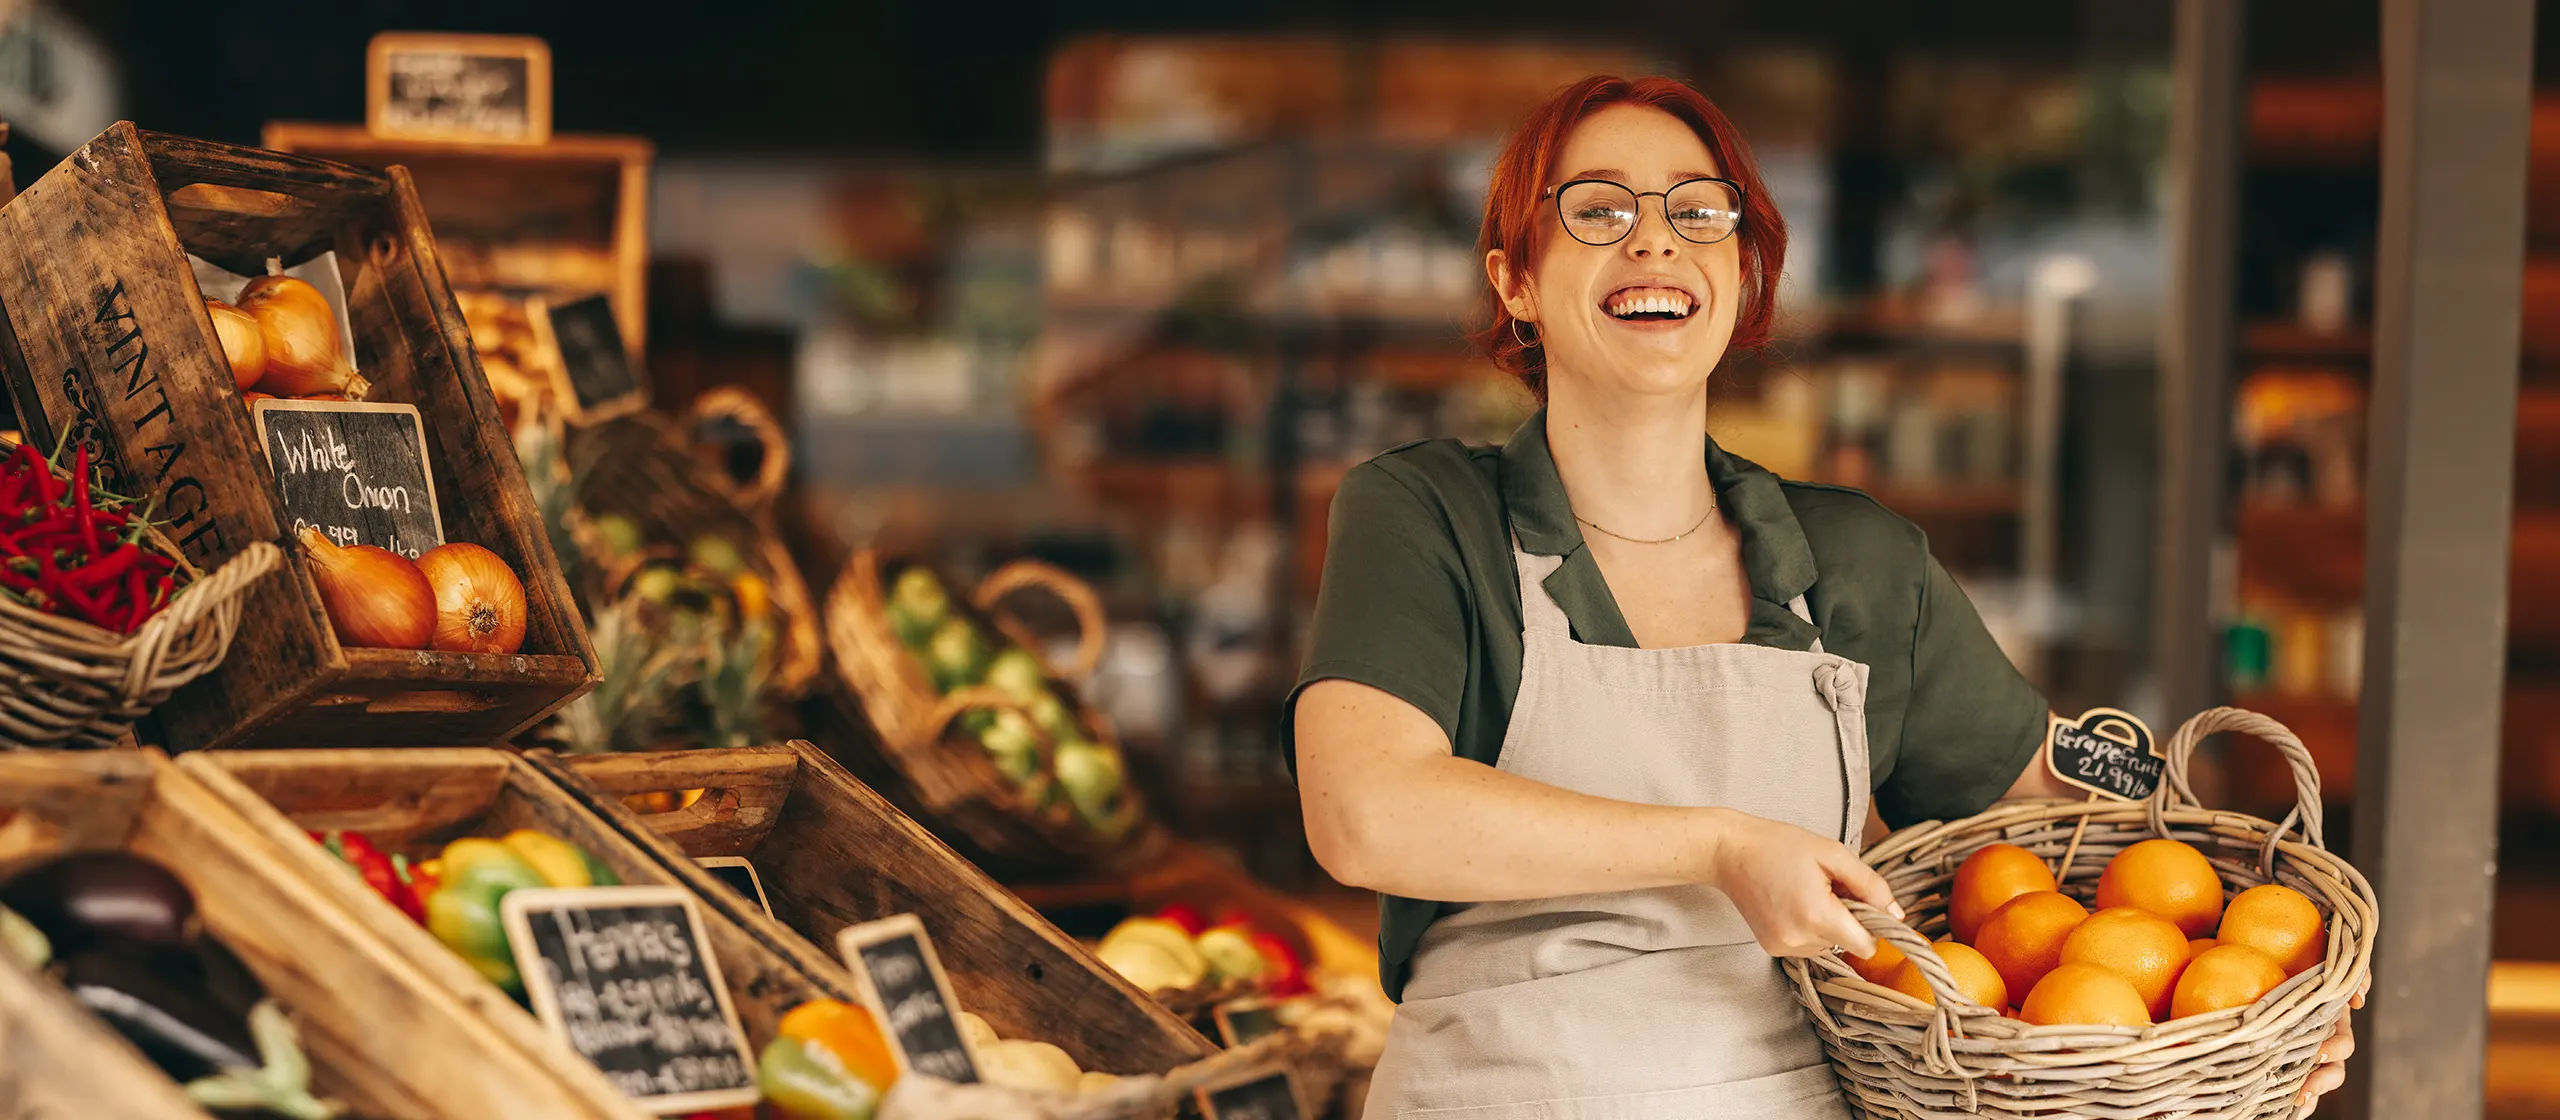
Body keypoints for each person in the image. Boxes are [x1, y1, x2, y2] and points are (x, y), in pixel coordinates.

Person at [1287, 74, 2357, 1118]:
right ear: (1515, 280)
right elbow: (1365, 813)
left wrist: (2257, 991)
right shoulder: (1427, 514)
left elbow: (2064, 789)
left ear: (1743, 272)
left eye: (1699, 211)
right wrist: (1715, 846)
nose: (1654, 239)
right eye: (1598, 207)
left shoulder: (1854, 559)